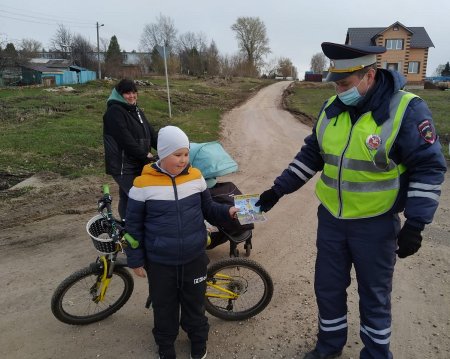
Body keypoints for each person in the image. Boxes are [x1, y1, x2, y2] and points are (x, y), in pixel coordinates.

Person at [256, 42, 447, 359]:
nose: (338, 90)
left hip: (376, 224)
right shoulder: (332, 109)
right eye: (336, 83)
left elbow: (428, 166)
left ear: (369, 75)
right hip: (331, 220)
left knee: (374, 295)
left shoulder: (407, 110)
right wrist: (277, 190)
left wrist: (416, 223)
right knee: (327, 289)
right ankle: (329, 346)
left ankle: (375, 354)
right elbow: (311, 155)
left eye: (344, 84)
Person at [124, 126, 239, 359]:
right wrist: (135, 258)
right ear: (162, 154)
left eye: (186, 154)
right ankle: (166, 345)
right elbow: (133, 227)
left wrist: (228, 212)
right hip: (160, 263)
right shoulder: (142, 185)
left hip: (194, 257)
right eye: (177, 155)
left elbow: (209, 208)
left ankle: (198, 339)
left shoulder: (196, 178)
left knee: (194, 304)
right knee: (164, 307)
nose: (183, 160)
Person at [103, 78, 158, 220]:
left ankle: (126, 226)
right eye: (127, 93)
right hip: (123, 166)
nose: (132, 96)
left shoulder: (136, 110)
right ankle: (134, 228)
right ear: (119, 94)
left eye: (134, 92)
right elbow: (125, 140)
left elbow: (150, 133)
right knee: (138, 198)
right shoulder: (114, 112)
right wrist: (145, 155)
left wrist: (167, 148)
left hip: (136, 163)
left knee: (127, 197)